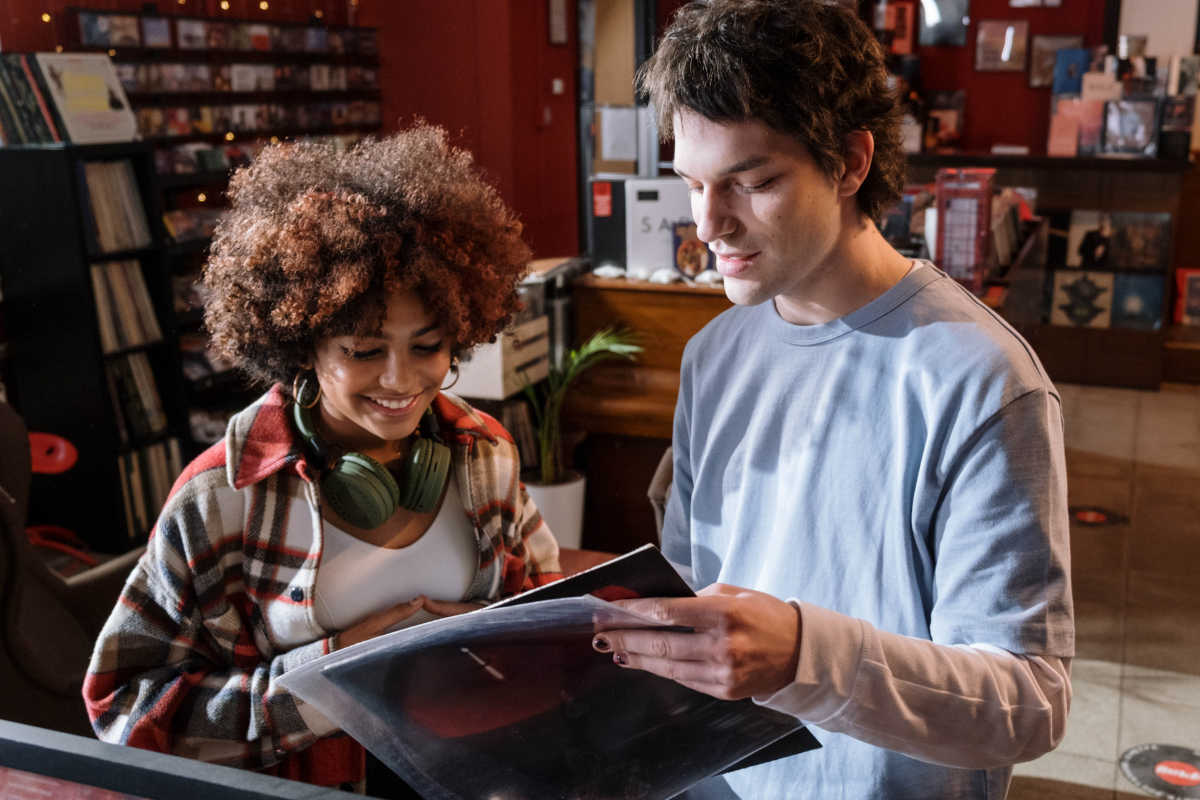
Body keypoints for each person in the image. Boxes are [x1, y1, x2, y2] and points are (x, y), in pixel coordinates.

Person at [591, 2, 1073, 799]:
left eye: (753, 181)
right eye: (691, 184)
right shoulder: (714, 354)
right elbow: (689, 589)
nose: (708, 224)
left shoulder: (982, 380)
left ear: (850, 162)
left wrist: (805, 656)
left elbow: (1028, 703)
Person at [82, 125, 562, 795]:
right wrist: (333, 678)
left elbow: (547, 615)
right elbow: (124, 708)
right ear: (303, 344)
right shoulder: (220, 498)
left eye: (427, 347)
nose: (400, 381)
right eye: (364, 352)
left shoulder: (485, 454)